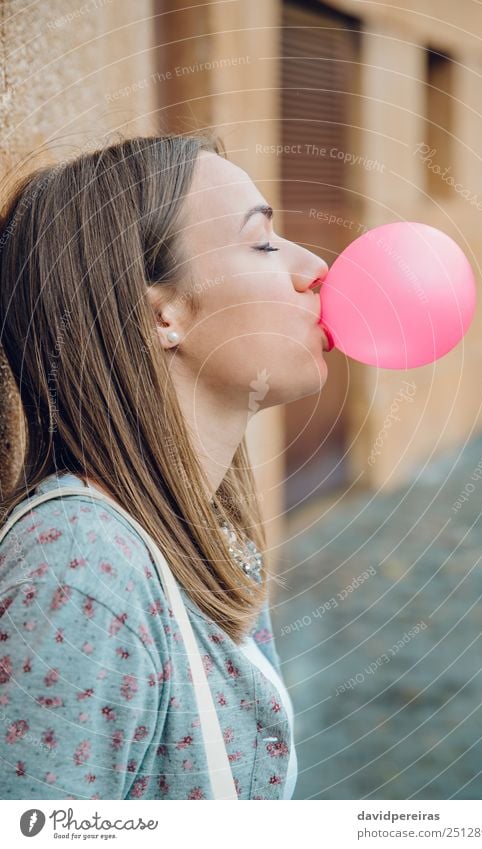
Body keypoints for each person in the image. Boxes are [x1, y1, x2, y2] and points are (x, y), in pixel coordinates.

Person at [0, 132, 329, 799]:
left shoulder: (212, 525)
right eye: (262, 241)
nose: (316, 266)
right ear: (162, 313)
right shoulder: (81, 566)